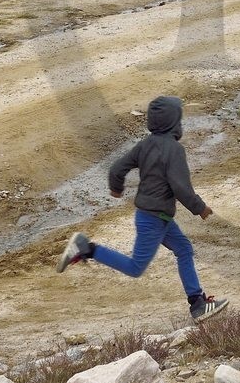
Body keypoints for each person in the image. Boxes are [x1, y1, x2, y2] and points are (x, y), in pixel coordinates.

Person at [55, 96, 229, 323]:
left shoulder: (145, 145)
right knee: (135, 267)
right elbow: (180, 187)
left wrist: (116, 188)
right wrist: (200, 208)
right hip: (154, 218)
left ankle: (198, 304)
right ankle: (87, 249)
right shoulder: (174, 149)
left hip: (155, 216)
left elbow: (116, 169)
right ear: (174, 122)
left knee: (184, 249)